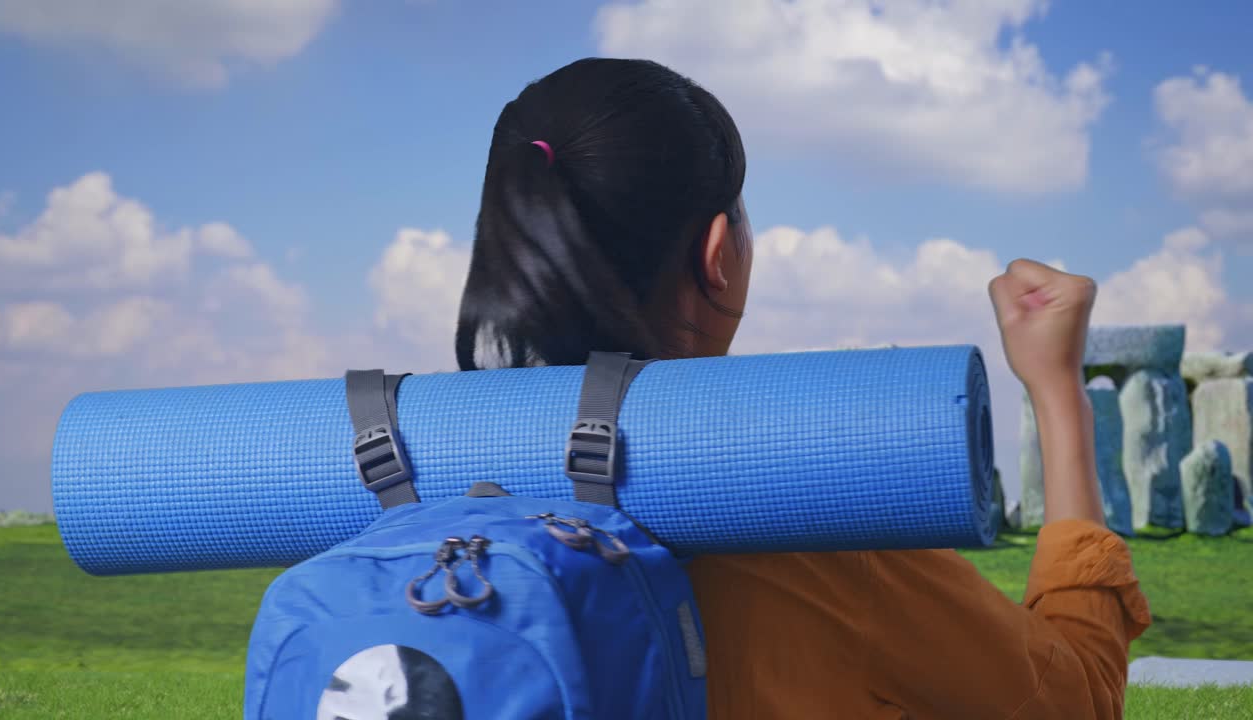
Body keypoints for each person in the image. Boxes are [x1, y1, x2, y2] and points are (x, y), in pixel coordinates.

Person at [454, 57, 1152, 719]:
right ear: (717, 253)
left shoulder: (410, 494)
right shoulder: (806, 531)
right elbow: (1074, 700)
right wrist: (1058, 391)